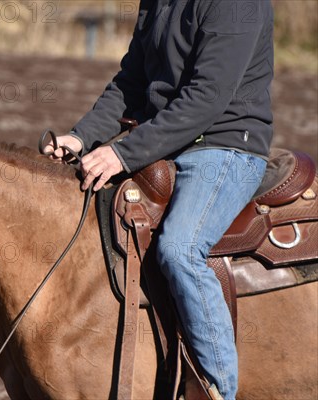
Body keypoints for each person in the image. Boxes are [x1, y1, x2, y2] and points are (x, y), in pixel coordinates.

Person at [45, 1, 273, 398]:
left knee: (180, 249)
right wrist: (81, 136)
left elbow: (207, 96)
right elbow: (129, 83)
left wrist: (123, 153)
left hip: (225, 147)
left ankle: (216, 387)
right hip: (166, 143)